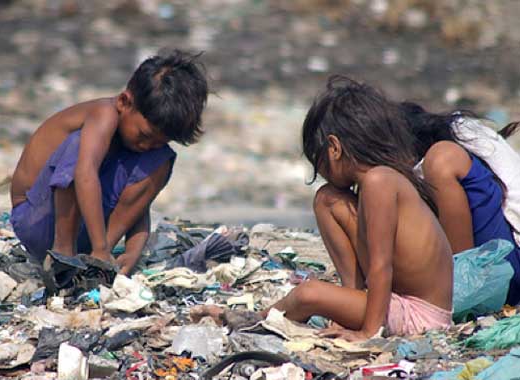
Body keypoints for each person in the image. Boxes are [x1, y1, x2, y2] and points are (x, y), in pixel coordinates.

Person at [193, 77, 454, 341]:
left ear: (334, 148)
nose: (321, 174)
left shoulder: (379, 182)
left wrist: (367, 332)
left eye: (319, 163)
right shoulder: (376, 180)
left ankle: (257, 321)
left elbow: (380, 266)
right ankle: (348, 299)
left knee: (309, 294)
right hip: (395, 301)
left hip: (419, 316)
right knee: (327, 199)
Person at [9, 50, 208, 280]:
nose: (147, 145)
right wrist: (101, 248)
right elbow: (84, 174)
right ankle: (63, 255)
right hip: (36, 220)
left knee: (160, 159)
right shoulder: (104, 113)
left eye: (157, 141)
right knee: (78, 146)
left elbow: (139, 203)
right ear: (125, 102)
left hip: (86, 234)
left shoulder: (140, 143)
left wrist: (133, 251)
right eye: (144, 135)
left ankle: (96, 264)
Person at [402, 102, 520, 304]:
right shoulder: (464, 134)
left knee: (441, 160)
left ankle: (462, 285)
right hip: (506, 256)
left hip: (510, 264)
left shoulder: (443, 157)